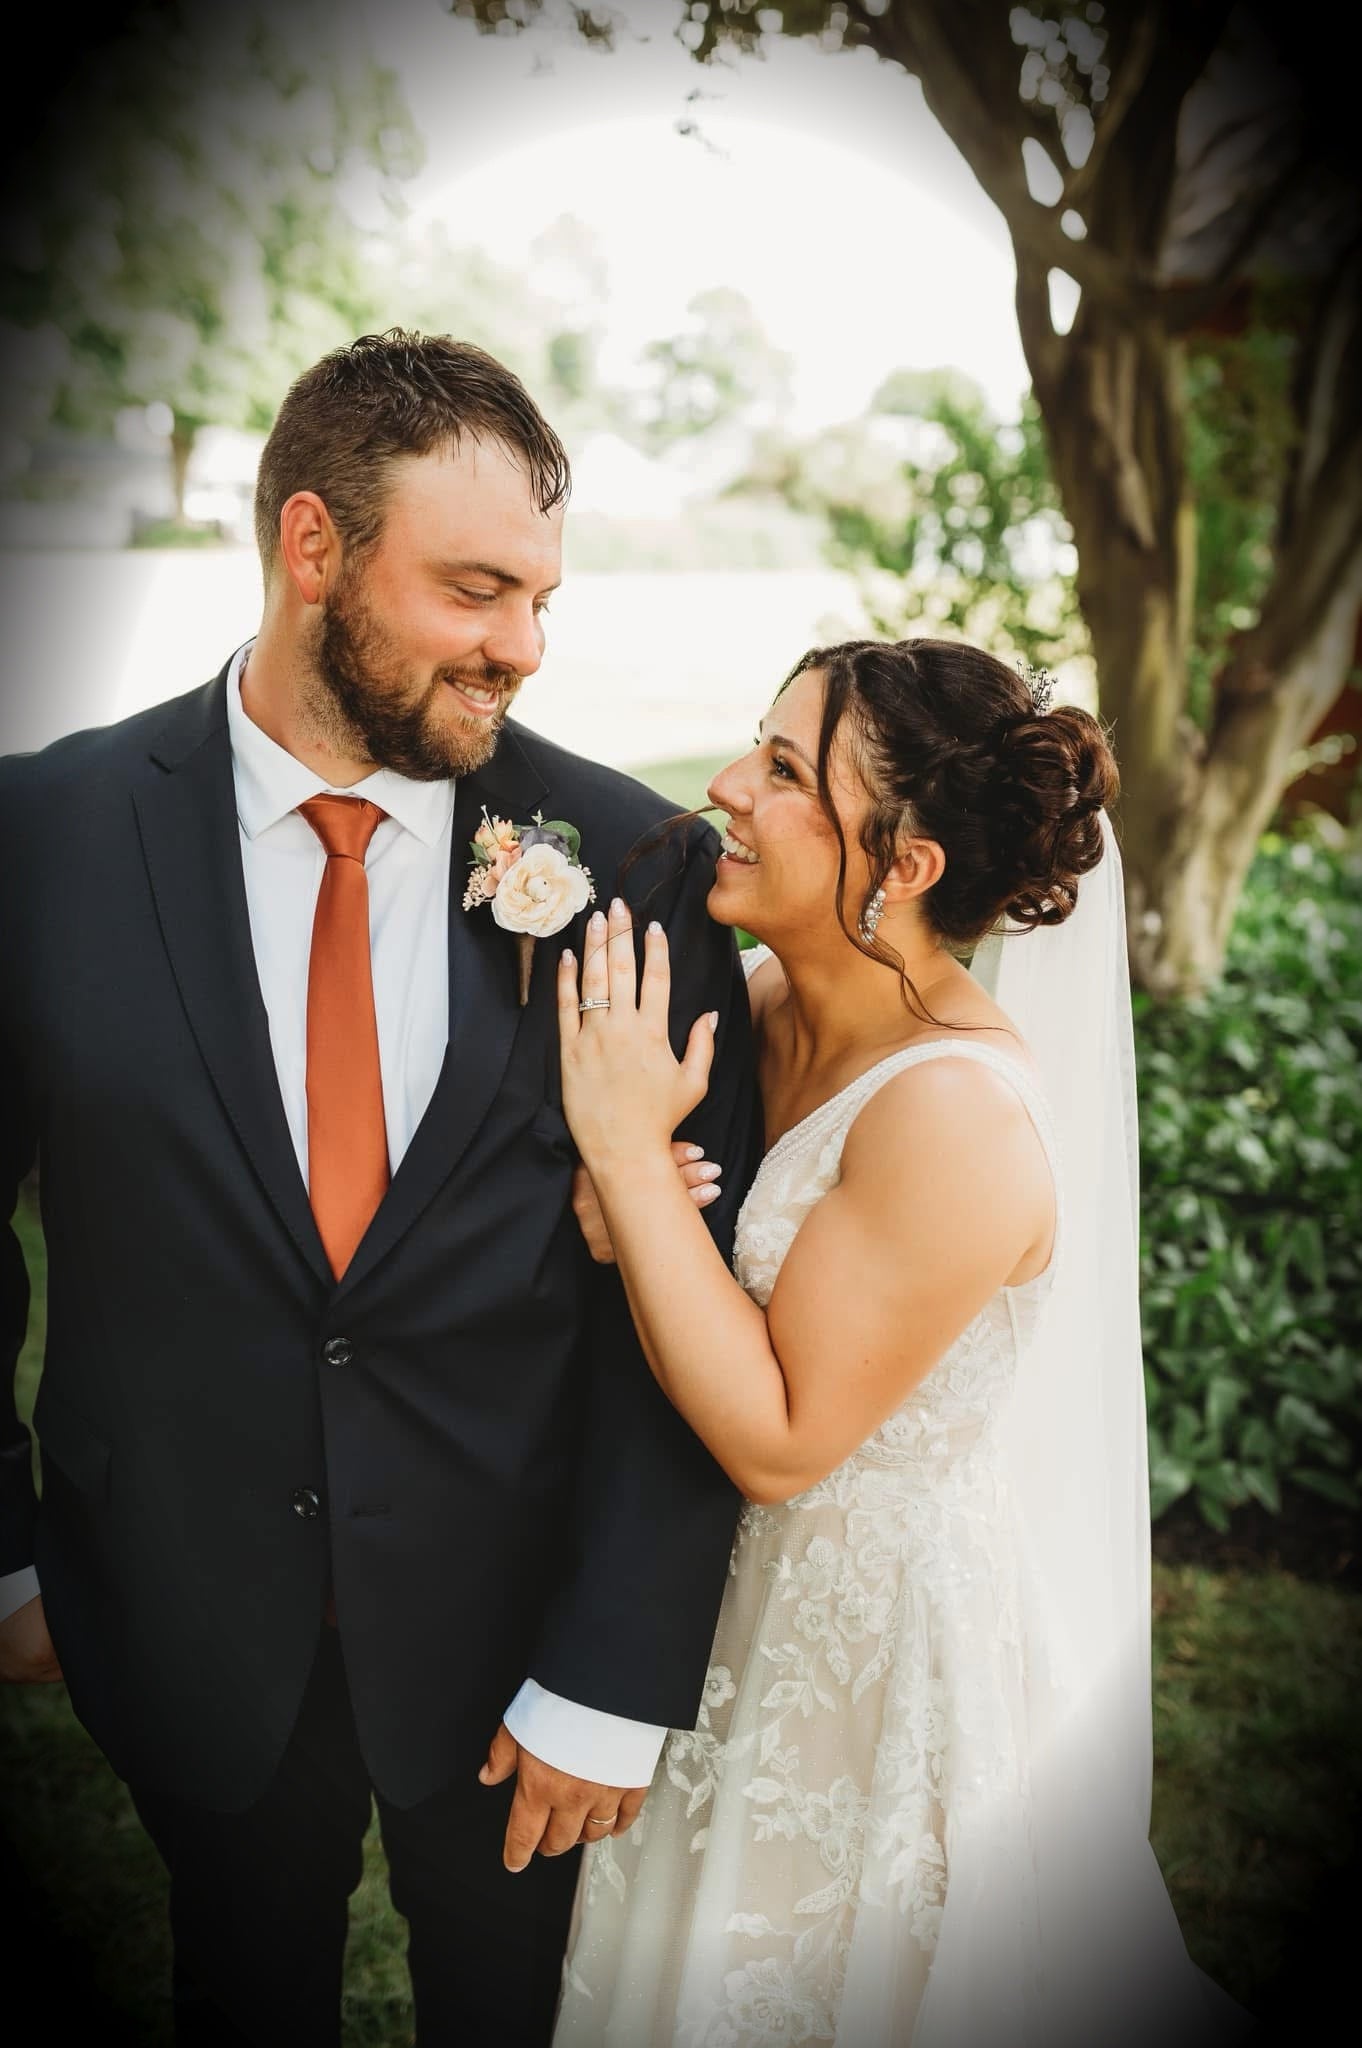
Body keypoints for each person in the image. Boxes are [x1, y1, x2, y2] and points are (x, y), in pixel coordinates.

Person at [0, 330, 762, 2046]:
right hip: (175, 1604)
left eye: (542, 598)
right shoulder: (40, 838)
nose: (524, 647)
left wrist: (616, 1665)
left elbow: (694, 1283)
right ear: (310, 546)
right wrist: (6, 1553)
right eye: (477, 588)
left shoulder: (635, 870)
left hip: (521, 1640)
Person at [551, 637, 1250, 2046]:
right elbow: (673, 1286)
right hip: (717, 1620)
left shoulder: (955, 1118)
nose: (725, 788)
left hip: (866, 1662)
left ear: (908, 862)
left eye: (787, 770)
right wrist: (614, 1219)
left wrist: (629, 1170)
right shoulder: (756, 1011)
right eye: (755, 743)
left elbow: (777, 1439)